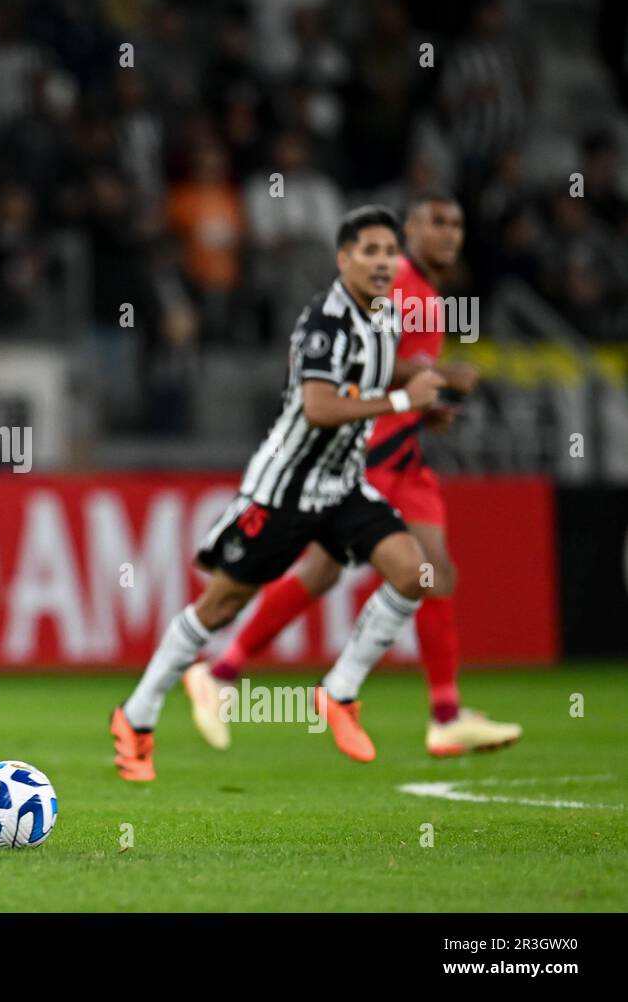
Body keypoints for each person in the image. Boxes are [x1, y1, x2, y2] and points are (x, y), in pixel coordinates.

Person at [112, 205, 444, 779]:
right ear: (343, 260)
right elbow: (318, 407)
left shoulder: (386, 316)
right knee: (220, 606)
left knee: (412, 572)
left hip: (341, 487)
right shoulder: (325, 322)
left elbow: (373, 372)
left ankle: (339, 692)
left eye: (390, 252)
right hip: (284, 490)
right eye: (370, 251)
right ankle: (137, 718)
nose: (383, 262)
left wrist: (423, 380)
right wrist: (401, 401)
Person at [185, 195, 521, 758]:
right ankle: (222, 673)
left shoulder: (427, 296)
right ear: (410, 230)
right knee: (339, 571)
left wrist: (425, 407)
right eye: (434, 222)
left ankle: (444, 714)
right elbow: (365, 358)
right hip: (373, 454)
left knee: (424, 570)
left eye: (456, 223)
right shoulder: (402, 288)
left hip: (402, 452)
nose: (448, 234)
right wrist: (432, 378)